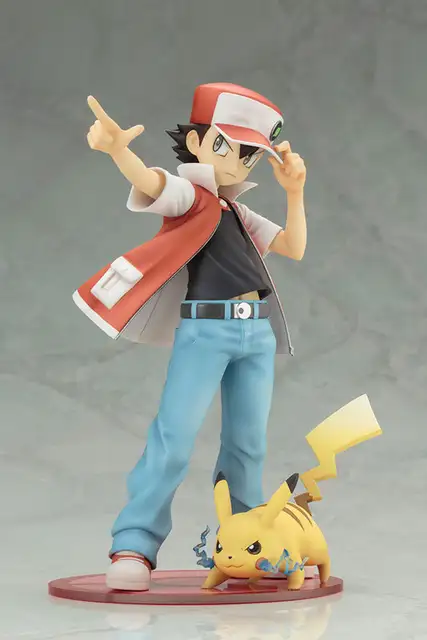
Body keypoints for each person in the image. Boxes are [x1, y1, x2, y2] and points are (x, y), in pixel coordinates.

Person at [73, 82, 307, 591]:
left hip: (256, 332)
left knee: (248, 445)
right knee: (174, 438)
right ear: (198, 142)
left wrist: (295, 192)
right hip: (206, 330)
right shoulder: (192, 198)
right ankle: (135, 544)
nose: (238, 161)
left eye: (250, 154)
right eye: (226, 145)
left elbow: (293, 246)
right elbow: (152, 182)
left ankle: (248, 545)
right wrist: (119, 152)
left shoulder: (238, 213)